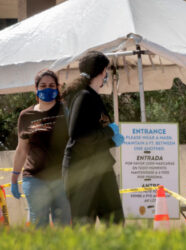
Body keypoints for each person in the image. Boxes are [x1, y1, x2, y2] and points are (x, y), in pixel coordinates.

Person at [62, 51, 124, 225]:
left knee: (115, 223)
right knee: (84, 227)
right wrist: (109, 132)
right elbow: (78, 134)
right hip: (82, 171)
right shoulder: (84, 96)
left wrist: (111, 141)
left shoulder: (93, 97)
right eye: (107, 71)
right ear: (103, 71)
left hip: (99, 166)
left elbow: (91, 135)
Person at [11, 70, 71, 227]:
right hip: (34, 178)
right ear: (36, 88)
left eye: (51, 85)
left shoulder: (66, 111)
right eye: (43, 86)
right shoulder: (26, 115)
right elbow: (21, 149)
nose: (47, 89)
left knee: (63, 227)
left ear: (58, 88)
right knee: (39, 227)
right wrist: (14, 177)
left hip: (62, 179)